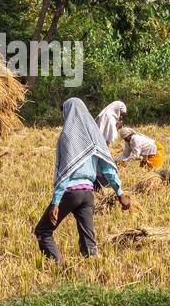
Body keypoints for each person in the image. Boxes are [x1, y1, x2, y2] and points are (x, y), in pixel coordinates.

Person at [35, 99, 130, 263]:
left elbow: (65, 172)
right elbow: (108, 168)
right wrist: (120, 193)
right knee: (88, 240)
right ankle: (93, 269)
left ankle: (58, 266)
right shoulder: (95, 137)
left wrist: (56, 202)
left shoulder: (67, 137)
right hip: (88, 193)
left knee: (43, 231)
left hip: (70, 193)